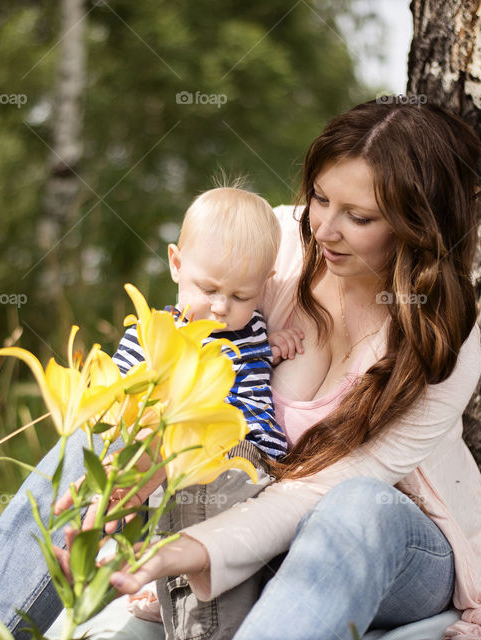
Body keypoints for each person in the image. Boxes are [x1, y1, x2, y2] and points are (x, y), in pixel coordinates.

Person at [0, 99, 481, 640]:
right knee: (102, 443)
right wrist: (146, 460)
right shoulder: (277, 240)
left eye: (359, 217)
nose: (323, 228)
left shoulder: (440, 337)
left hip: (378, 542)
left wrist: (189, 550)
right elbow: (182, 360)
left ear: (420, 225)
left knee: (359, 504)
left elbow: (314, 494)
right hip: (238, 501)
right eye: (319, 197)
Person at [109, 185, 303, 636]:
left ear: (265, 284)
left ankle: (181, 597)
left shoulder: (253, 327)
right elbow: (123, 395)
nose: (220, 307)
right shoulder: (156, 332)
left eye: (240, 295)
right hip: (193, 454)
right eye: (208, 288)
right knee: (194, 520)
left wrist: (275, 346)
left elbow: (249, 364)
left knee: (238, 554)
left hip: (263, 462)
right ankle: (199, 623)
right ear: (176, 264)